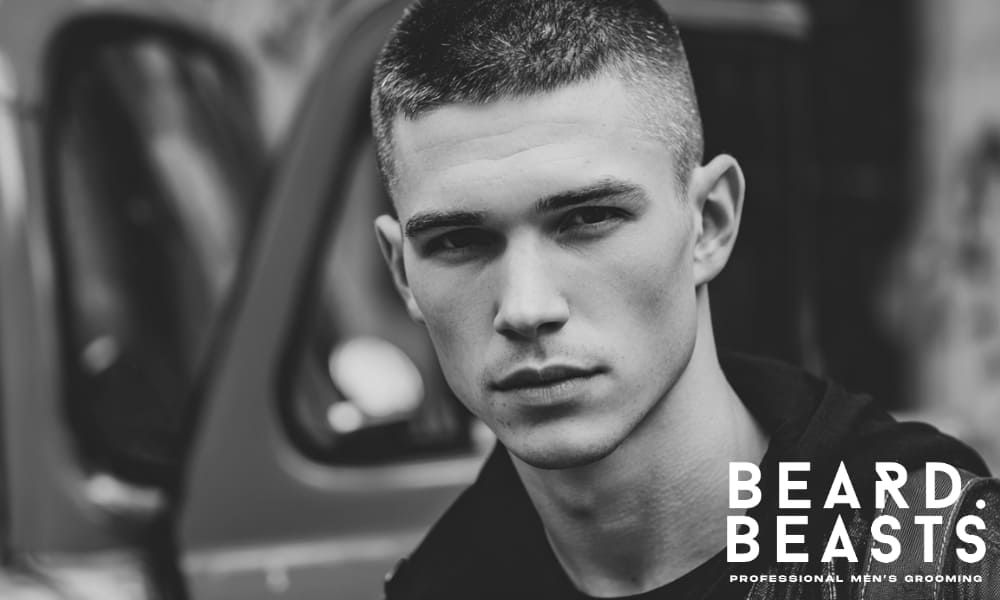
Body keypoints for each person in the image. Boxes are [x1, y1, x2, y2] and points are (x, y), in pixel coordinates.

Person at [368, 1, 1000, 598]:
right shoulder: (442, 583)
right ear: (402, 272)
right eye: (458, 241)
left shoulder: (919, 547)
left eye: (588, 218)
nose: (526, 307)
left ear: (711, 223)